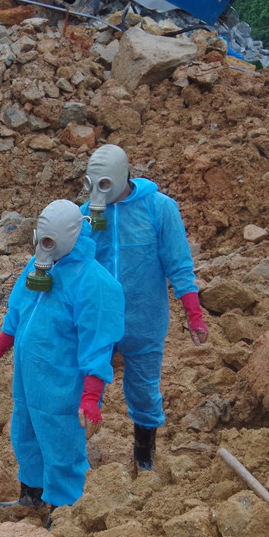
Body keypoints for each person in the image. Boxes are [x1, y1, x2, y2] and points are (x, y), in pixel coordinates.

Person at [0, 199, 125, 517]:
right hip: (29, 380)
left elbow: (98, 344)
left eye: (49, 241)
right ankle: (31, 496)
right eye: (40, 240)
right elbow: (18, 312)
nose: (43, 248)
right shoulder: (37, 266)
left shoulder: (95, 284)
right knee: (26, 435)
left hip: (61, 386)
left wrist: (91, 396)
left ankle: (63, 510)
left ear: (72, 234)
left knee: (61, 446)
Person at [80, 144, 209, 472]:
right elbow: (74, 266)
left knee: (143, 389)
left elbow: (179, 264)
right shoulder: (87, 213)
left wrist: (194, 314)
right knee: (81, 384)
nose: (98, 192)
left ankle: (144, 456)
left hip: (144, 319)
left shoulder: (158, 208)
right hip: (98, 319)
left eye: (104, 184)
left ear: (122, 177)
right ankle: (72, 455)